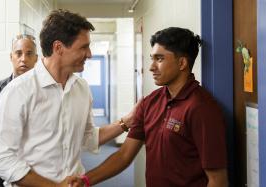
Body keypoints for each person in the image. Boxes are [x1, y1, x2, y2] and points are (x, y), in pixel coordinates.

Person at [0, 9, 135, 187]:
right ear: (58, 47)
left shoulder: (81, 88)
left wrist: (126, 122)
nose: (89, 54)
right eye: (83, 47)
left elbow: (87, 137)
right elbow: (0, 158)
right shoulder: (18, 91)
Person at [79, 27, 228, 187]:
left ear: (182, 63)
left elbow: (217, 180)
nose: (151, 67)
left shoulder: (202, 108)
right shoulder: (149, 102)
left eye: (160, 59)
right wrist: (85, 180)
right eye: (152, 58)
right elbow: (124, 155)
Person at [0, 34, 38, 187]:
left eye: (29, 53)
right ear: (11, 57)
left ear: (36, 58)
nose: (23, 58)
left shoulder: (45, 92)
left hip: (34, 177)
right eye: (18, 53)